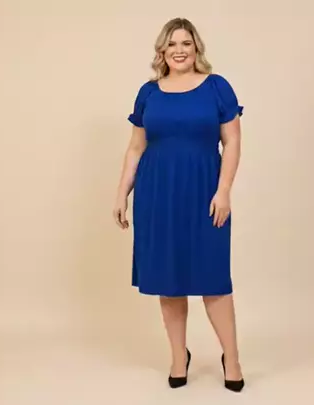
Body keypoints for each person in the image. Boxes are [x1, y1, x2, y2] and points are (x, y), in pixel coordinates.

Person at [112, 17, 245, 392]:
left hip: (204, 193)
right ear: (162, 50)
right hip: (157, 194)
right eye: (172, 44)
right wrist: (121, 192)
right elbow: (136, 148)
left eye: (186, 42)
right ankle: (177, 357)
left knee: (213, 279)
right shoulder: (149, 93)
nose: (179, 50)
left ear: (196, 47)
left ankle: (232, 359)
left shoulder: (217, 88)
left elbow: (232, 142)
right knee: (168, 281)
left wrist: (224, 190)